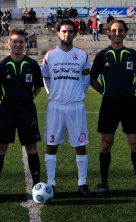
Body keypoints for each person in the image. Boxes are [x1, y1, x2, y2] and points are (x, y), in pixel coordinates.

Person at [90, 20, 136, 196]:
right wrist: (106, 93)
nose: (117, 33)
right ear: (109, 33)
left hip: (129, 103)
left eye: (120, 30)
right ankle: (104, 183)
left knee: (135, 143)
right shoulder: (102, 55)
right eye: (113, 30)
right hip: (109, 103)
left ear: (125, 33)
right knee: (106, 144)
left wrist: (129, 92)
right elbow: (93, 79)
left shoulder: (132, 54)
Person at [0, 29, 44, 200]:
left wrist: (26, 99)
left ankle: (37, 185)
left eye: (21, 42)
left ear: (25, 44)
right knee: (0, 148)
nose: (18, 45)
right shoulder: (2, 65)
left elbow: (38, 87)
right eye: (15, 41)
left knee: (31, 147)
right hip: (7, 110)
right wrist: (8, 100)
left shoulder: (33, 65)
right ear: (9, 43)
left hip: (27, 109)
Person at [41, 20, 91, 197]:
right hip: (56, 106)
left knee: (81, 145)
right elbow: (46, 78)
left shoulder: (82, 55)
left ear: (75, 34)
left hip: (76, 106)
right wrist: (52, 93)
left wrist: (79, 94)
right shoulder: (50, 56)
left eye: (70, 32)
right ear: (58, 33)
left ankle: (82, 183)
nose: (67, 34)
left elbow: (86, 79)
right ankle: (51, 183)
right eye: (64, 31)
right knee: (52, 144)